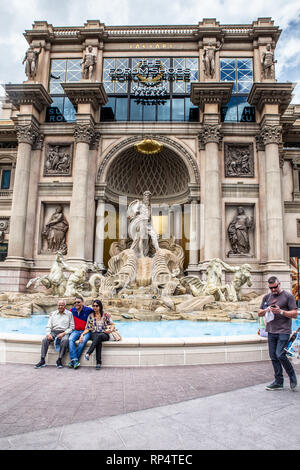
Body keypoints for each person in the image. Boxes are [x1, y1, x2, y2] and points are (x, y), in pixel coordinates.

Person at [258, 276, 298, 391]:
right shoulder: (267, 297)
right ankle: (278, 382)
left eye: (275, 287)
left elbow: (295, 314)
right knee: (273, 356)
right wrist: (266, 310)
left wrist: (280, 311)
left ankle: (292, 376)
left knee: (280, 354)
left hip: (284, 331)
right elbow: (259, 313)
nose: (273, 290)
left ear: (279, 284)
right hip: (271, 330)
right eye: (271, 288)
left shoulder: (288, 296)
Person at [34, 299, 74, 369]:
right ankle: (42, 360)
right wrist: (48, 333)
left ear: (65, 306)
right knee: (45, 340)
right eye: (59, 305)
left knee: (65, 340)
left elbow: (72, 327)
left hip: (64, 332)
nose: (60, 307)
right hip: (54, 332)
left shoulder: (69, 314)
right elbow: (49, 325)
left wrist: (64, 333)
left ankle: (59, 360)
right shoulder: (53, 314)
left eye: (62, 305)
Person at [82, 299, 114, 370]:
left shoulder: (105, 315)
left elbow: (112, 324)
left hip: (104, 334)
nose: (95, 307)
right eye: (93, 306)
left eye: (96, 306)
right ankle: (98, 363)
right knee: (98, 339)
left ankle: (88, 353)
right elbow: (87, 328)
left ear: (100, 306)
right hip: (94, 334)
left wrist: (110, 330)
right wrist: (82, 335)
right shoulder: (90, 316)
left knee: (99, 336)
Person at [68, 296, 94, 369]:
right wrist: (52, 313)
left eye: (78, 302)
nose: (77, 304)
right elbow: (64, 312)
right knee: (70, 340)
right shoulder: (72, 310)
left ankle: (73, 360)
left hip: (85, 331)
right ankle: (75, 360)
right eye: (75, 302)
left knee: (82, 342)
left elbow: (98, 311)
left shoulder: (88, 310)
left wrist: (107, 314)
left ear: (82, 303)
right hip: (75, 331)